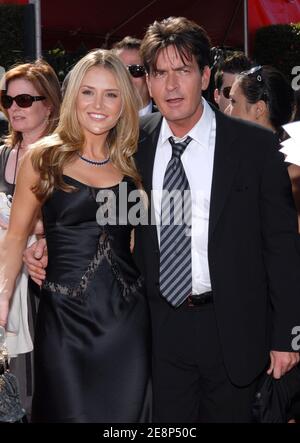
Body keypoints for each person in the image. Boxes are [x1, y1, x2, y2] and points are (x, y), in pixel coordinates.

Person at [24, 17, 300, 423]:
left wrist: (288, 337)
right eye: (160, 73)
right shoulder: (132, 144)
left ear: (205, 76)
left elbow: (282, 247)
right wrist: (47, 240)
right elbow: (102, 210)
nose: (172, 85)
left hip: (235, 332)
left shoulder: (254, 147)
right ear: (148, 83)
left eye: (183, 70)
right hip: (155, 333)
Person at [0, 49, 151, 423]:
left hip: (126, 323)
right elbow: (16, 238)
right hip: (65, 322)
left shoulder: (135, 161)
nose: (98, 104)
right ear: (72, 97)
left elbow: (135, 235)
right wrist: (0, 305)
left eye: (111, 94)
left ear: (124, 102)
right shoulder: (42, 158)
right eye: (88, 92)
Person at [0, 59, 61, 419]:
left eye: (25, 100)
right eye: (8, 100)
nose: (13, 108)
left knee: (41, 381)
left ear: (49, 104)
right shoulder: (3, 154)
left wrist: (22, 225)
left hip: (42, 283)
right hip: (6, 276)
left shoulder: (61, 158)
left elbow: (71, 218)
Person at [113, 36, 155, 115]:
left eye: (135, 70)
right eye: (119, 70)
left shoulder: (169, 120)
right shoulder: (99, 122)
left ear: (150, 78)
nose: (126, 78)